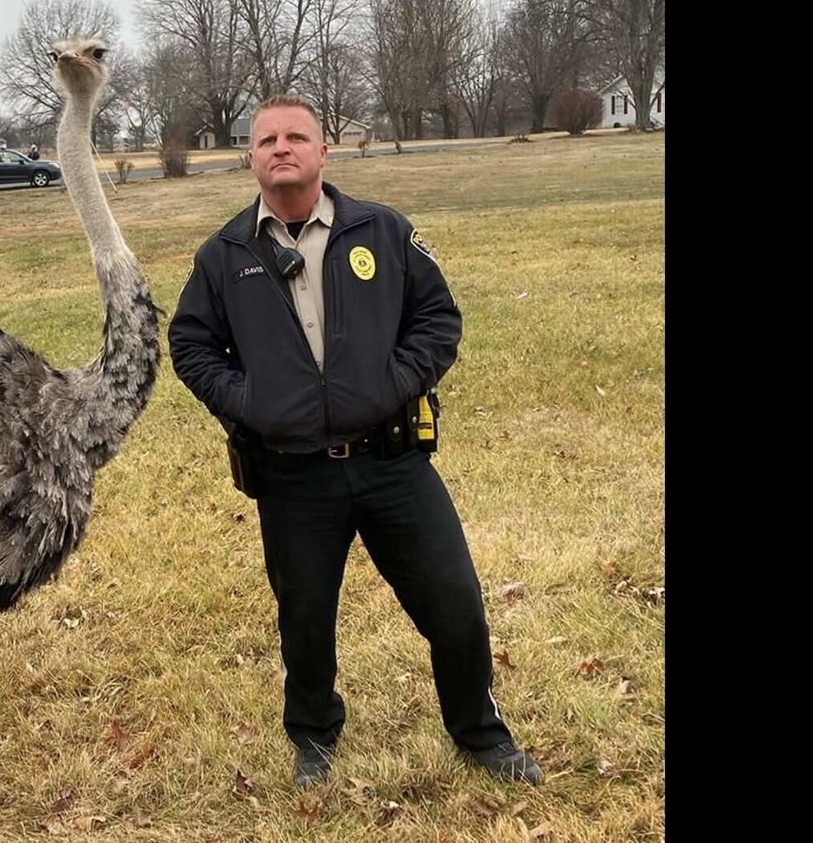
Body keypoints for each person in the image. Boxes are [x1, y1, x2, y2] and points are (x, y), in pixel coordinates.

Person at [167, 95, 542, 790]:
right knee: (304, 621)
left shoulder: (383, 231)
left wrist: (391, 383)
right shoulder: (223, 256)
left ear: (322, 152)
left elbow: (438, 318)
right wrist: (250, 403)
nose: (281, 148)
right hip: (292, 477)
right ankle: (314, 737)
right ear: (250, 158)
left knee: (455, 603)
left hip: (392, 461)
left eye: (296, 137)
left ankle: (481, 735)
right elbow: (190, 345)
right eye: (267, 139)